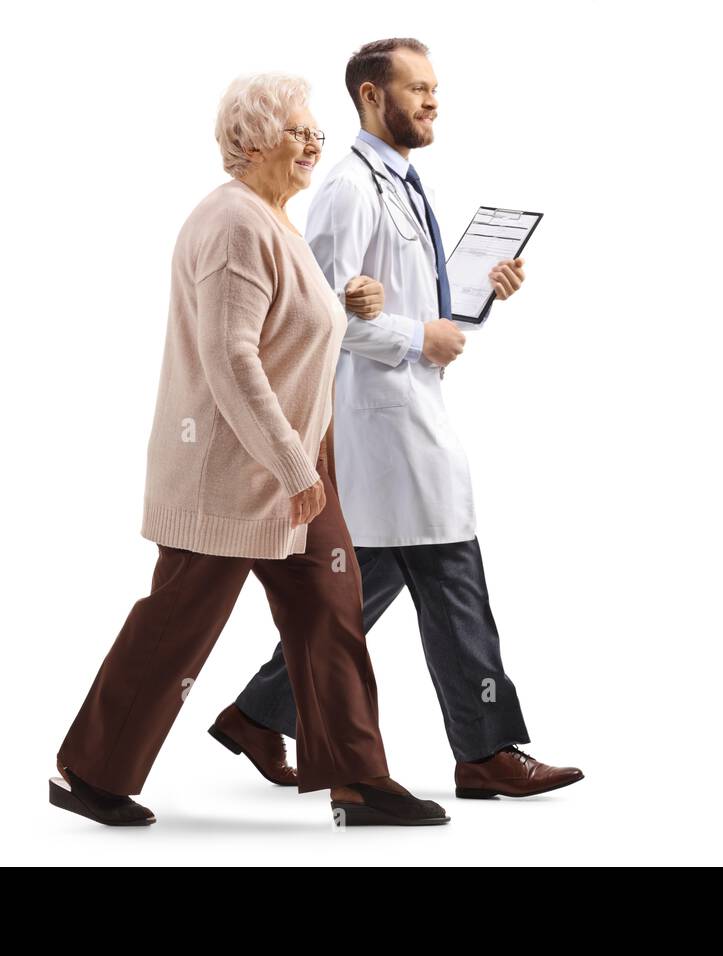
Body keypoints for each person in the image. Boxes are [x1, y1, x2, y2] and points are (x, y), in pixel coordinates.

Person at [51, 71, 448, 827]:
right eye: (297, 131)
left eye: (315, 134)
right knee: (178, 626)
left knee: (334, 613)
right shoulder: (233, 223)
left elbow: (281, 326)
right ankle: (88, 770)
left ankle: (359, 779)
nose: (312, 145)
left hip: (295, 466)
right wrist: (294, 467)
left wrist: (345, 305)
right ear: (251, 139)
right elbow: (233, 358)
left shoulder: (271, 219)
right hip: (232, 473)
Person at [213, 40, 583, 800]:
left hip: (405, 418)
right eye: (418, 88)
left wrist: (475, 296)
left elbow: (400, 298)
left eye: (436, 88)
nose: (433, 100)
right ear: (372, 98)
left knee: (371, 581)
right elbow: (316, 316)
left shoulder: (403, 185)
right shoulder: (349, 190)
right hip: (379, 424)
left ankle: (257, 713)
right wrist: (421, 335)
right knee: (451, 572)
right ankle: (487, 751)